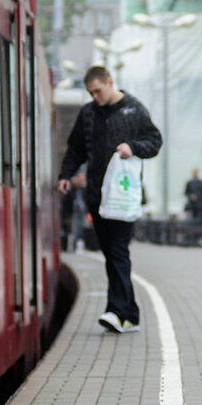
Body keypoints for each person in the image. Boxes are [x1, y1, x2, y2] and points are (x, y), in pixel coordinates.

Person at [57, 66, 162, 334]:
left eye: (98, 91)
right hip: (96, 195)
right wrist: (66, 175)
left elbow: (154, 141)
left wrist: (133, 147)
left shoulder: (134, 109)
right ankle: (130, 314)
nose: (95, 97)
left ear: (110, 82)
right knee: (112, 254)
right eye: (91, 93)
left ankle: (116, 311)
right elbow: (76, 148)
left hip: (124, 196)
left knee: (117, 252)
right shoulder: (88, 113)